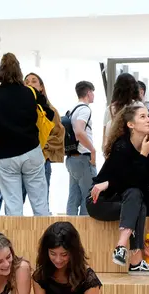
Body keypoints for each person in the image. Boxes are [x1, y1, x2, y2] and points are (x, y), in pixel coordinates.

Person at [86, 104, 149, 277]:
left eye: (148, 116)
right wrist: (142, 155)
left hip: (126, 199)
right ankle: (132, 258)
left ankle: (123, 249)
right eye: (142, 117)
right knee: (136, 199)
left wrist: (109, 183)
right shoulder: (121, 146)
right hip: (100, 200)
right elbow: (127, 181)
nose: (148, 119)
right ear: (130, 125)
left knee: (138, 199)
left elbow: (140, 184)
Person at [0, 54, 52, 216]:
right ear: (19, 72)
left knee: (13, 205)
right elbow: (49, 114)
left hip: (6, 155)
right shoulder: (30, 93)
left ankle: (14, 240)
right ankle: (47, 240)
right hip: (31, 151)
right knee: (40, 202)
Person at [24, 72, 64, 202]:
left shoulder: (51, 110)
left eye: (34, 81)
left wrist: (42, 146)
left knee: (42, 200)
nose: (30, 83)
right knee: (17, 200)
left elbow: (58, 135)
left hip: (42, 159)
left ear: (41, 87)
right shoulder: (19, 109)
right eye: (26, 82)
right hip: (21, 158)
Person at [65, 81, 97, 216]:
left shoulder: (72, 110)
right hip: (84, 158)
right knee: (88, 197)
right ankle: (85, 233)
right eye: (93, 92)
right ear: (88, 92)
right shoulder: (84, 109)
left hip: (72, 159)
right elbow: (79, 131)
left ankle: (69, 229)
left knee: (73, 196)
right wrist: (93, 150)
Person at [103, 73, 140, 140]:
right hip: (134, 146)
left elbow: (105, 134)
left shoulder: (110, 108)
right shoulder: (138, 106)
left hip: (115, 146)